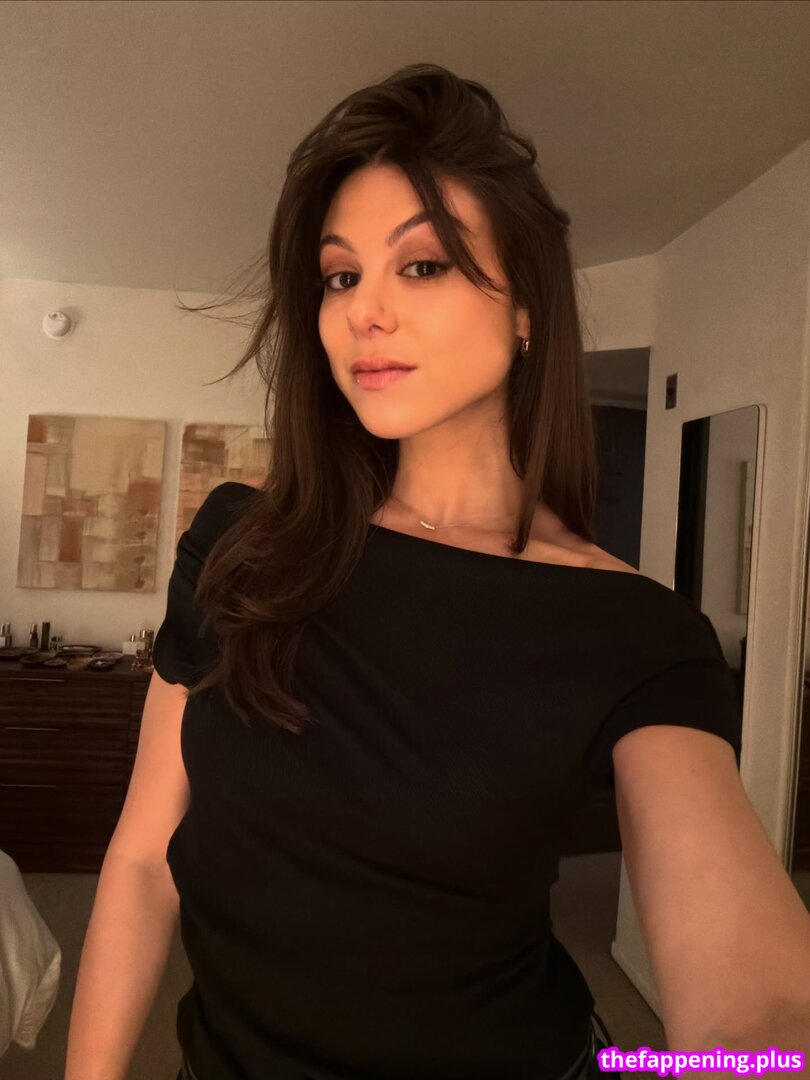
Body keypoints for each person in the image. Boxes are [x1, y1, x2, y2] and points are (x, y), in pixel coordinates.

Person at [66, 64, 810, 1080]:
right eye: (340, 276)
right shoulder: (241, 541)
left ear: (526, 309)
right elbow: (146, 857)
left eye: (421, 265)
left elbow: (761, 1005)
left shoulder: (631, 629)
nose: (364, 311)